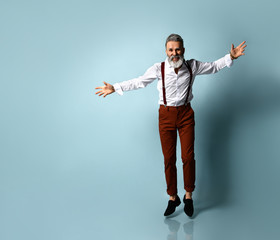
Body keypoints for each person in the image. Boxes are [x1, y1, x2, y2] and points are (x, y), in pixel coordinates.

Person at [95, 34, 246, 217]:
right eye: (171, 50)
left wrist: (231, 56)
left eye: (178, 49)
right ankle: (173, 197)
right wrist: (115, 87)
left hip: (185, 115)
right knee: (169, 159)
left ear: (183, 50)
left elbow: (213, 67)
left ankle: (188, 196)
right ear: (166, 51)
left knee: (188, 157)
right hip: (165, 116)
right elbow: (139, 82)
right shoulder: (159, 68)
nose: (175, 53)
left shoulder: (192, 66)